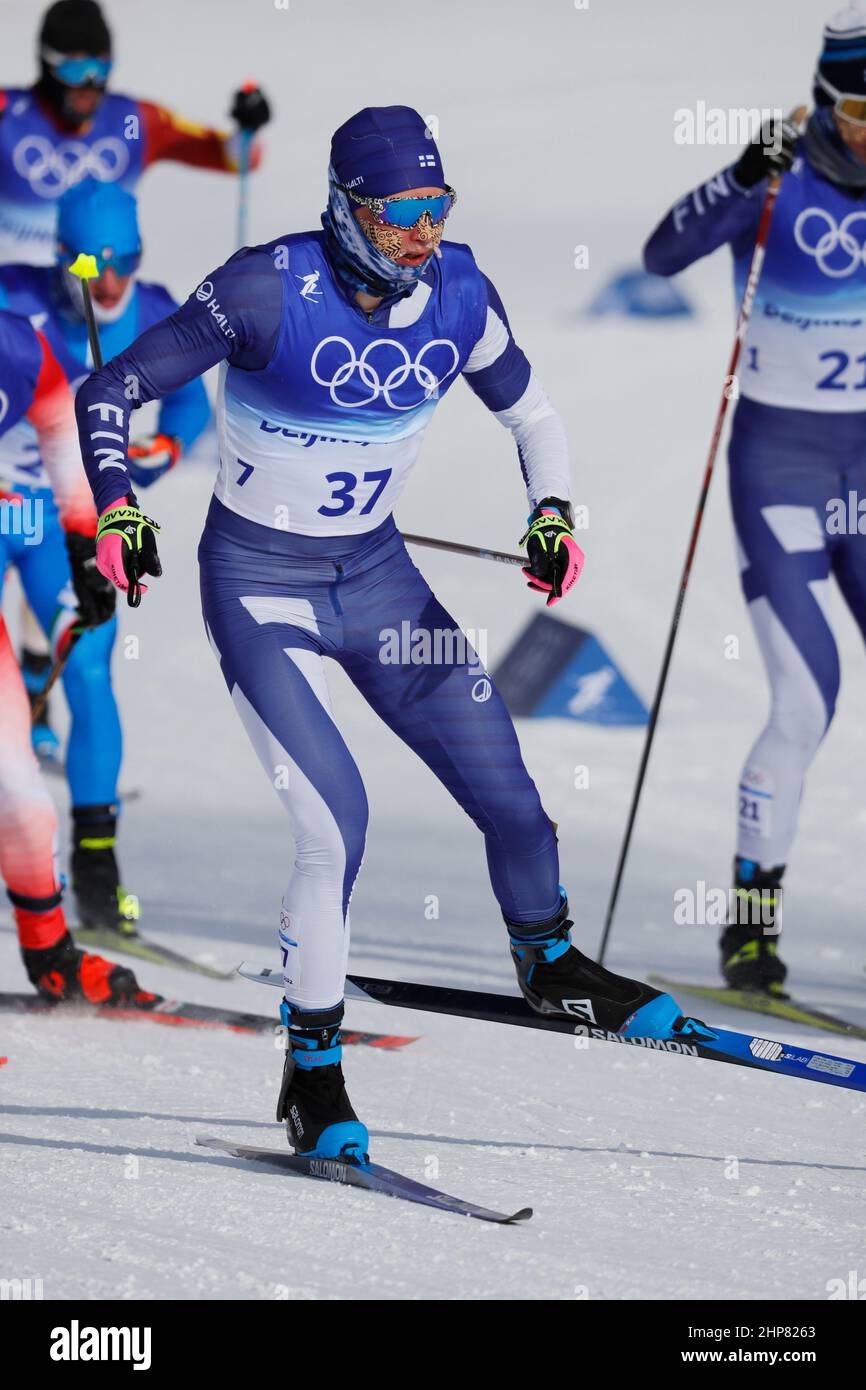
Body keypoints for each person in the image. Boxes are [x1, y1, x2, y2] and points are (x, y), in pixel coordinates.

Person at [75, 105, 681, 1162]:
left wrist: (550, 514)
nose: (421, 232)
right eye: (398, 211)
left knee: (512, 797)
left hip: (381, 583)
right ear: (345, 207)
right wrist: (121, 506)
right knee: (333, 822)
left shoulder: (458, 291)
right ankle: (312, 1073)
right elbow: (111, 386)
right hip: (259, 587)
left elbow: (531, 415)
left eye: (435, 207)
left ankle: (547, 963)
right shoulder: (264, 288)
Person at [644, 4, 866, 995]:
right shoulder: (776, 175)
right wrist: (737, 175)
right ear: (825, 100)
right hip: (778, 465)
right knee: (804, 695)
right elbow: (659, 254)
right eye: (858, 105)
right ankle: (748, 922)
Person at [0, 177, 211, 936]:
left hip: (77, 518)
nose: (112, 281)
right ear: (62, 259)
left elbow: (191, 401)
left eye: (126, 260)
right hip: (4, 507)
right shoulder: (14, 300)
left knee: (90, 664)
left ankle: (95, 866)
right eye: (94, 266)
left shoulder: (156, 310)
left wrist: (168, 444)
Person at [0, 307, 154, 1005]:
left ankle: (57, 943)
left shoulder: (16, 343)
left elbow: (61, 419)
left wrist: (86, 541)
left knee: (23, 794)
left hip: (24, 515)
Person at [0, 0, 270, 266]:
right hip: (12, 298)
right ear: (48, 63)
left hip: (102, 294)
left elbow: (235, 158)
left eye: (102, 66)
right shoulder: (8, 114)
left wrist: (248, 127)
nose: (90, 83)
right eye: (76, 69)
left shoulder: (132, 121)